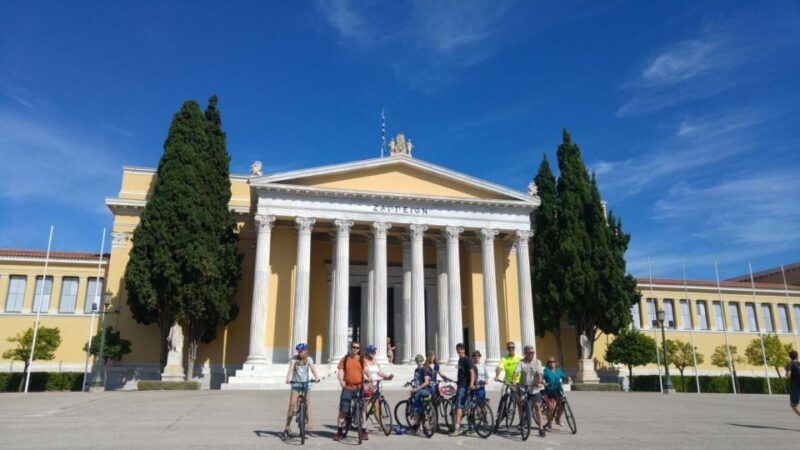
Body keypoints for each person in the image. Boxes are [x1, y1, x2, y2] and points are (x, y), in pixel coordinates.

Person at [282, 343, 320, 440]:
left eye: (302, 351)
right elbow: (290, 369)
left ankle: (310, 424)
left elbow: (313, 369)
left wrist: (316, 377)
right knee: (292, 405)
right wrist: (288, 378)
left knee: (307, 403)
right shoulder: (294, 359)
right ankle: (287, 427)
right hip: (296, 384)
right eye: (298, 351)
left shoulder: (309, 359)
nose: (300, 353)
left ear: (306, 351)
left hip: (306, 383)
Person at [334, 341, 366, 441]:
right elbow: (340, 371)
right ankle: (339, 432)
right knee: (343, 410)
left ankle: (364, 431)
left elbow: (365, 371)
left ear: (359, 349)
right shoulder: (345, 359)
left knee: (362, 410)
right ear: (350, 347)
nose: (355, 349)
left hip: (359, 388)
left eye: (357, 348)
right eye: (353, 347)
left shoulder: (361, 359)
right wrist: (341, 381)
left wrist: (368, 378)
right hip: (347, 387)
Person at [514, 345, 545, 437]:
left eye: (533, 352)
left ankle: (541, 428)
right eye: (530, 353)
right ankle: (522, 423)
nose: (532, 354)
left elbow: (539, 373)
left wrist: (539, 381)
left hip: (534, 387)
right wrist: (513, 379)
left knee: (537, 407)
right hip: (523, 386)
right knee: (520, 404)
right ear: (526, 353)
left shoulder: (537, 362)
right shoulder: (521, 362)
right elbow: (516, 371)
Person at [449, 343, 477, 437]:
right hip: (461, 384)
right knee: (466, 407)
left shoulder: (466, 359)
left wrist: (471, 383)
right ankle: (471, 427)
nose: (460, 351)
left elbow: (472, 371)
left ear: (464, 350)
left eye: (461, 349)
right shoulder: (460, 360)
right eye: (458, 349)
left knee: (459, 406)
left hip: (464, 386)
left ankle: (457, 428)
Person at [362, 344, 394, 425]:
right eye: (372, 351)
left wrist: (387, 376)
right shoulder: (364, 361)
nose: (373, 352)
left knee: (376, 406)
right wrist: (367, 379)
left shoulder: (375, 362)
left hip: (375, 385)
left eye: (374, 351)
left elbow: (380, 372)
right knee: (365, 405)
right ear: (367, 352)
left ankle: (381, 425)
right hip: (367, 385)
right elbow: (364, 371)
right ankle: (363, 423)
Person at [543, 356, 570, 430]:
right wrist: (543, 383)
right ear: (548, 364)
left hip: (558, 390)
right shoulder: (546, 371)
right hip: (549, 390)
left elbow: (564, 376)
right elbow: (541, 378)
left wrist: (568, 378)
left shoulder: (558, 371)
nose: (552, 363)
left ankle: (558, 418)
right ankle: (549, 425)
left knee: (562, 404)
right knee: (550, 408)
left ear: (556, 363)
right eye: (550, 362)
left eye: (553, 362)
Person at [409, 354, 434, 434]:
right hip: (417, 391)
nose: (419, 362)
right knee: (419, 409)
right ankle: (419, 425)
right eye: (417, 360)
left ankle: (422, 425)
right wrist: (414, 388)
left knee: (418, 409)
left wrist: (417, 389)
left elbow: (426, 382)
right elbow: (416, 380)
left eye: (420, 360)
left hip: (422, 391)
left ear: (422, 361)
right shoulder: (416, 370)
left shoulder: (424, 370)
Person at [786, 350, 800, 418]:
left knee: (793, 405)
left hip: (796, 387)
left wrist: (786, 373)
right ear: (797, 356)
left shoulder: (790, 364)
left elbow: (788, 375)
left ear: (790, 357)